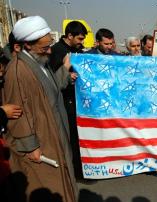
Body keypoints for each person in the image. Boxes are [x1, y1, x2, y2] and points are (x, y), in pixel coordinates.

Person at [3, 16, 77, 201]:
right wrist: (31, 147)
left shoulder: (39, 61)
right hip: (41, 144)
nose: (50, 50)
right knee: (48, 187)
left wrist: (66, 73)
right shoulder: (18, 70)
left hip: (54, 134)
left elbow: (51, 89)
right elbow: (17, 113)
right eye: (45, 47)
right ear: (27, 45)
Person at [48, 20, 88, 180]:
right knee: (72, 138)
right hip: (66, 103)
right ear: (69, 36)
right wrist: (67, 75)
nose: (81, 42)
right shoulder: (57, 51)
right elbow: (53, 79)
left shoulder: (76, 50)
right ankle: (76, 173)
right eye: (79, 39)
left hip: (78, 102)